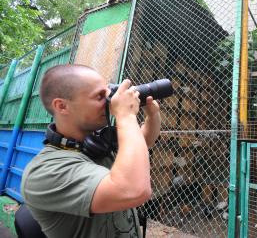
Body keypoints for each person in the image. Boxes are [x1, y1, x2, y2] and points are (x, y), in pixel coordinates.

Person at [21, 64, 160, 238]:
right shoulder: (44, 172)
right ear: (62, 106)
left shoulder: (97, 142)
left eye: (109, 93)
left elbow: (143, 141)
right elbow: (134, 191)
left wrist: (152, 115)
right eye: (100, 96)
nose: (110, 101)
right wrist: (126, 115)